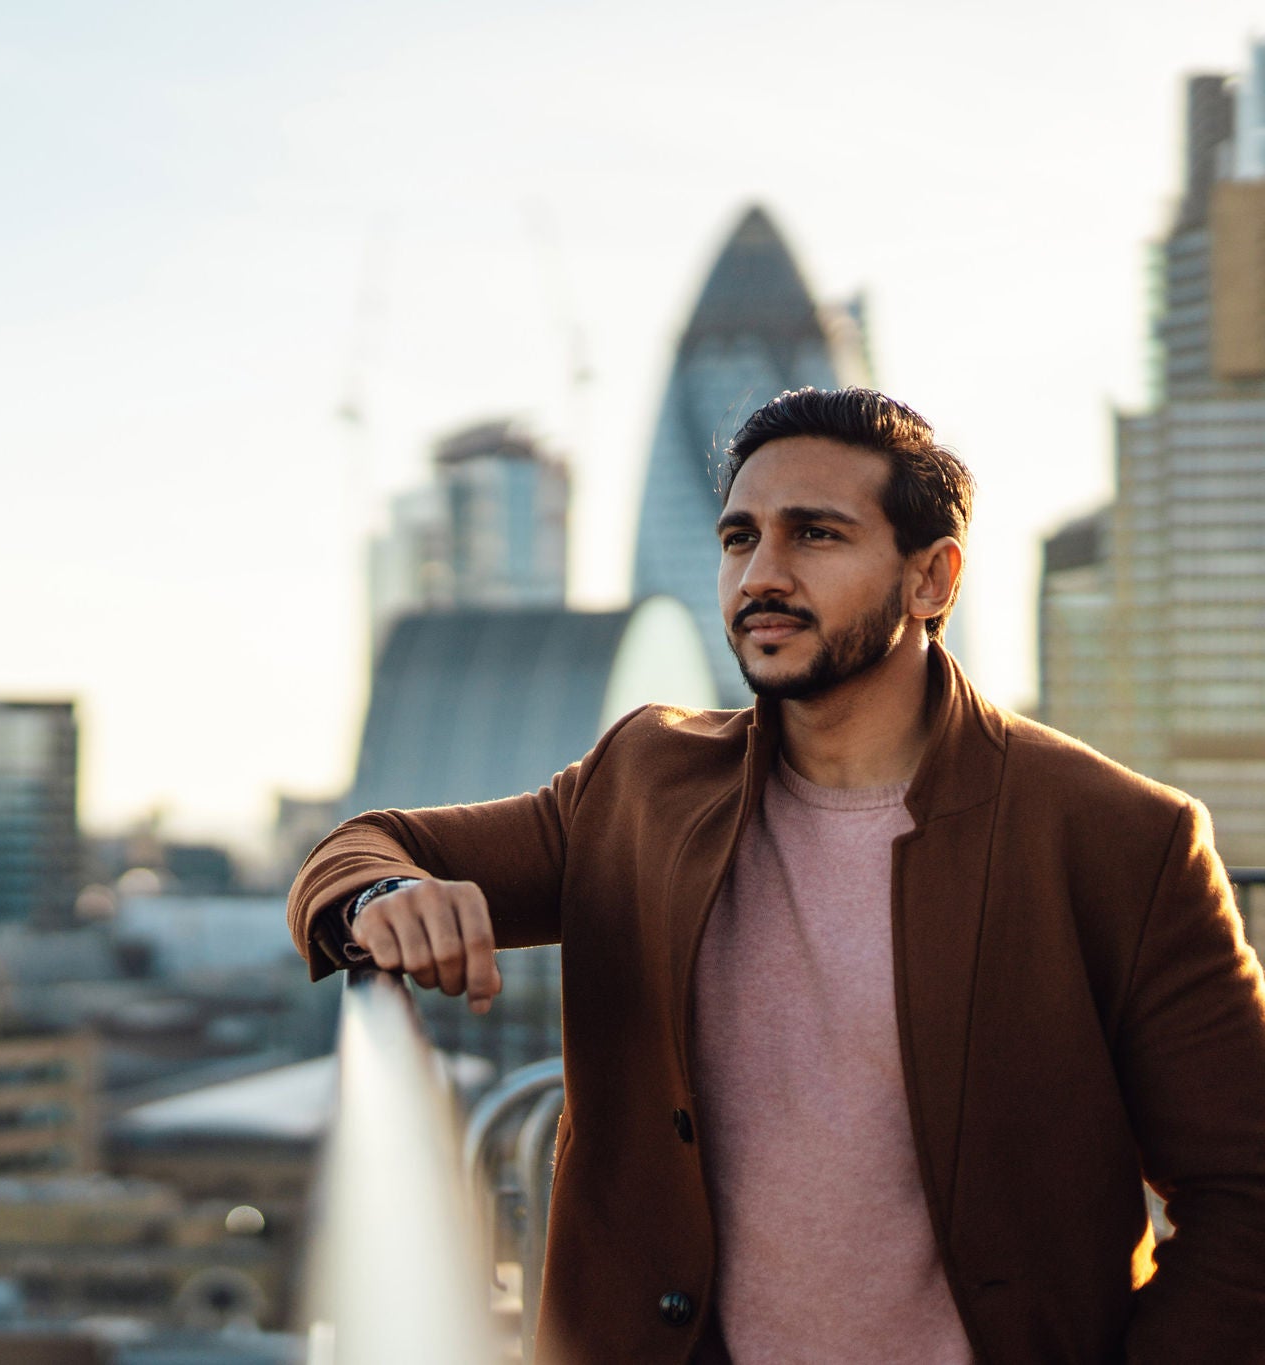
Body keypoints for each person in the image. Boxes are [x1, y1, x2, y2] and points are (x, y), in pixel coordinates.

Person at [288, 388, 1265, 1364]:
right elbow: (362, 846)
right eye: (737, 538)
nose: (760, 574)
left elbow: (1243, 1189)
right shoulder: (641, 783)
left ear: (931, 579)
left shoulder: (1119, 839)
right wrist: (386, 897)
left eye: (815, 536)